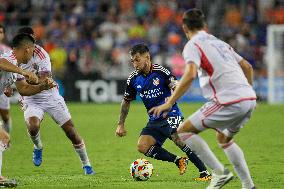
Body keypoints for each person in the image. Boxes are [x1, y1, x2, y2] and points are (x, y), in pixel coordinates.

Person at [149, 9, 257, 189]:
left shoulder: (193, 45)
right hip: (249, 99)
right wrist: (249, 93)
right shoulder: (220, 43)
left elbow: (190, 74)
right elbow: (247, 66)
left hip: (228, 100)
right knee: (224, 139)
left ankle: (220, 173)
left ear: (184, 28)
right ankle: (249, 186)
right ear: (204, 26)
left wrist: (169, 103)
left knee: (183, 132)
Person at [115, 43, 211, 180]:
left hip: (171, 114)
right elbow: (126, 102)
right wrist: (121, 124)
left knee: (177, 139)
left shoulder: (161, 72)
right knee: (143, 146)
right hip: (155, 119)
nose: (135, 64)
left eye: (137, 59)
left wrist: (176, 85)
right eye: (132, 61)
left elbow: (174, 84)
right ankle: (178, 160)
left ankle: (205, 173)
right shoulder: (133, 79)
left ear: (147, 57)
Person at [16, 27, 94, 175]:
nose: (32, 42)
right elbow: (22, 89)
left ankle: (86, 164)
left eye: (33, 39)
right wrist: (24, 85)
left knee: (70, 131)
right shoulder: (15, 58)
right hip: (31, 98)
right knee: (33, 126)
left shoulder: (42, 54)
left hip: (50, 96)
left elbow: (45, 81)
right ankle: (38, 147)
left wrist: (30, 81)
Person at [0, 33, 55, 187]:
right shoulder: (10, 59)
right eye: (32, 51)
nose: (32, 55)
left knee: (3, 139)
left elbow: (24, 89)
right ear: (26, 49)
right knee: (3, 138)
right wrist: (23, 72)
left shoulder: (15, 67)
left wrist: (42, 86)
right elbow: (1, 62)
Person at [0, 25, 13, 134]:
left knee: (5, 116)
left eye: (0, 32)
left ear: (3, 35)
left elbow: (12, 70)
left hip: (2, 88)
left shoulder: (8, 51)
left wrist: (9, 85)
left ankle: (6, 140)